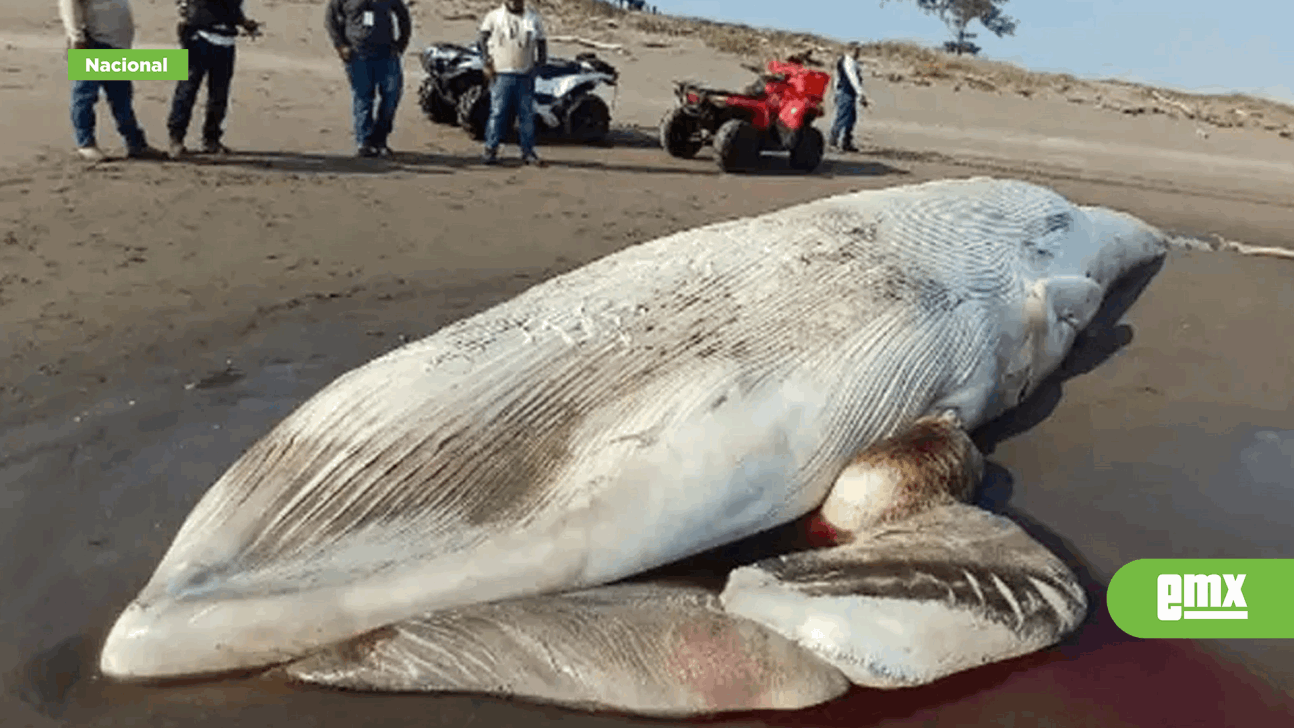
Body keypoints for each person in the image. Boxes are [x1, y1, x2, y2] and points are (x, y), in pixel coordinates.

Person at [59, 0, 167, 162]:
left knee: (122, 98)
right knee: (85, 96)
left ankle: (135, 143)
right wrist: (76, 37)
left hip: (116, 45)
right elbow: (68, 4)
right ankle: (86, 144)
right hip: (92, 43)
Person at [167, 1, 262, 158]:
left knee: (219, 94)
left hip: (225, 40)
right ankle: (177, 139)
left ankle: (211, 139)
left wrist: (243, 21)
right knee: (188, 90)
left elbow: (232, 7)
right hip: (199, 37)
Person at [325, 0, 412, 157]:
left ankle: (380, 139)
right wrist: (340, 45)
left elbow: (403, 14)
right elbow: (330, 19)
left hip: (387, 53)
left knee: (392, 95)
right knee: (363, 97)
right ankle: (364, 142)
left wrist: (401, 43)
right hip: (357, 54)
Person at [477, 0, 547, 166]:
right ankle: (490, 150)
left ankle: (528, 152)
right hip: (502, 73)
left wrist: (540, 63)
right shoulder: (494, 17)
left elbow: (542, 41)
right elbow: (482, 39)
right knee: (498, 113)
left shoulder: (533, 18)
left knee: (526, 115)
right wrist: (486, 61)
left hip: (525, 74)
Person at [829, 44, 870, 153]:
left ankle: (846, 142)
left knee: (851, 118)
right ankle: (833, 142)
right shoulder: (847, 62)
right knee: (842, 117)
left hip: (848, 93)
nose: (858, 53)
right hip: (845, 93)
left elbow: (837, 78)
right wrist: (861, 94)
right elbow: (853, 79)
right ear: (850, 51)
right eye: (857, 51)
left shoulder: (851, 62)